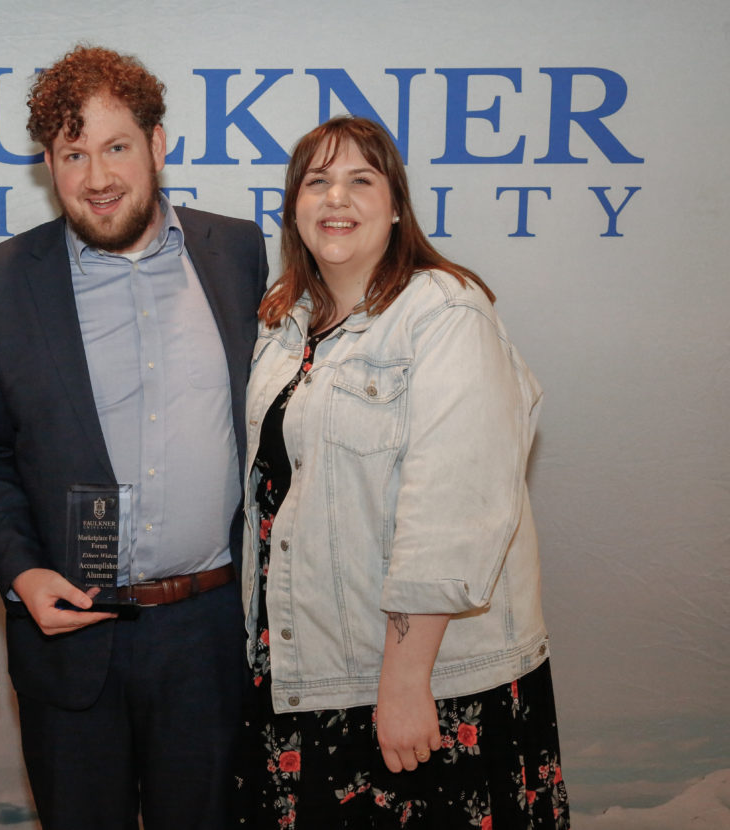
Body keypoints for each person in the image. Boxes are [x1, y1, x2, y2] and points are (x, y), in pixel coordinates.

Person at [0, 45, 269, 829]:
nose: (97, 177)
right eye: (73, 154)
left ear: (157, 146)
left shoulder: (235, 253)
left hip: (209, 632)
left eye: (116, 146)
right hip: (69, 635)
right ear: (48, 164)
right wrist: (22, 575)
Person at [236, 116, 569, 828]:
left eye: (362, 180)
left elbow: (453, 512)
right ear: (293, 209)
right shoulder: (284, 322)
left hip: (423, 683)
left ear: (396, 205)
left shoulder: (446, 314)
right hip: (310, 672)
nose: (337, 199)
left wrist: (406, 681)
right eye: (317, 182)